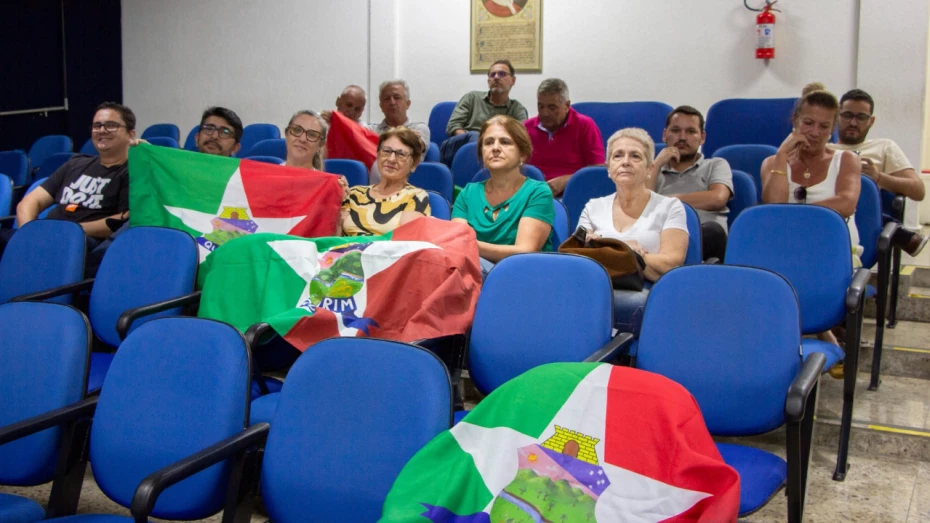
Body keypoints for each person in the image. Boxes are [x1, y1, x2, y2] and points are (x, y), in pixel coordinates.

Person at [578, 128, 689, 334]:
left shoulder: (670, 207)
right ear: (608, 167)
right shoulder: (593, 207)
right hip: (595, 289)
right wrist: (628, 251)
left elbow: (671, 264)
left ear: (650, 168)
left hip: (647, 291)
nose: (625, 161)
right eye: (617, 155)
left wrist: (610, 250)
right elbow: (579, 258)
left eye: (635, 156)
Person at [1, 102, 134, 269]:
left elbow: (121, 221)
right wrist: (28, 233)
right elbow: (30, 202)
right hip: (45, 234)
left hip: (81, 242)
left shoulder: (132, 171)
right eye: (97, 125)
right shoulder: (75, 163)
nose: (102, 130)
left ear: (131, 134)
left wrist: (69, 231)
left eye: (111, 125)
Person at [761, 86, 862, 265]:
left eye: (824, 126)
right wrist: (782, 155)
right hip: (786, 250)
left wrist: (793, 219)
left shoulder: (847, 160)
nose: (815, 133)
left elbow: (846, 204)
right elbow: (774, 208)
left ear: (833, 129)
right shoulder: (772, 162)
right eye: (808, 123)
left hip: (834, 249)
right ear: (795, 120)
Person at [452, 115, 554, 276]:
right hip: (470, 273)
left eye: (505, 142)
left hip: (521, 276)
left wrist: (473, 246)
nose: (495, 148)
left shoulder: (538, 192)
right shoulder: (468, 193)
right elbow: (458, 244)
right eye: (488, 142)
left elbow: (525, 251)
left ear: (522, 154)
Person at [830, 88, 928, 255]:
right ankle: (897, 231)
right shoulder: (824, 149)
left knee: (862, 187)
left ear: (871, 121)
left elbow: (918, 191)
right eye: (847, 115)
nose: (853, 123)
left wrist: (878, 177)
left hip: (863, 220)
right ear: (837, 116)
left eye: (861, 117)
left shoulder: (884, 147)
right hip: (829, 213)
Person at [649, 106, 733, 261]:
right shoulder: (653, 170)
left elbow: (718, 198)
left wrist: (665, 200)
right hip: (659, 236)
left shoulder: (715, 165)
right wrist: (657, 164)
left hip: (703, 238)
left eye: (690, 131)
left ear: (702, 137)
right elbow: (640, 205)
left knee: (713, 231)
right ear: (664, 135)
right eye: (675, 130)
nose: (682, 137)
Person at [338, 127, 430, 236]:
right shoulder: (353, 193)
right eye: (386, 151)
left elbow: (407, 241)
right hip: (346, 251)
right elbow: (334, 237)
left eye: (401, 154)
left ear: (414, 164)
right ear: (377, 155)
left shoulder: (415, 196)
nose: (391, 159)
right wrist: (336, 201)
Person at [524, 78, 604, 197]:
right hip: (533, 194)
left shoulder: (585, 126)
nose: (545, 113)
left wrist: (567, 181)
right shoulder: (526, 128)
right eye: (541, 106)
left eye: (552, 107)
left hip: (573, 193)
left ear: (567, 105)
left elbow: (597, 170)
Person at [440, 60, 529, 166]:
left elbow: (521, 134)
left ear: (513, 80)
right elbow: (453, 126)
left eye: (502, 74)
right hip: (459, 146)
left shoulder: (516, 108)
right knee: (476, 136)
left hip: (496, 148)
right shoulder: (472, 97)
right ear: (488, 81)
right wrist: (477, 143)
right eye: (492, 75)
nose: (496, 77)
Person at [367, 80, 431, 184]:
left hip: (410, 186)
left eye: (397, 98)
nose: (392, 102)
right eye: (387, 99)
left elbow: (417, 146)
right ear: (381, 105)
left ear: (408, 103)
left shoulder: (420, 128)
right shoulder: (370, 130)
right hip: (376, 187)